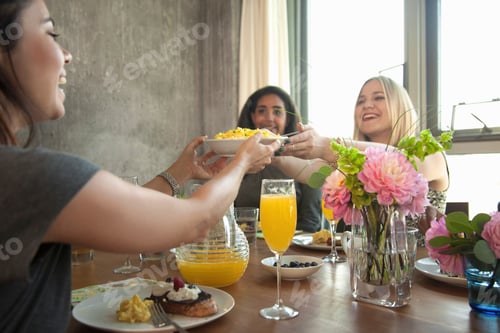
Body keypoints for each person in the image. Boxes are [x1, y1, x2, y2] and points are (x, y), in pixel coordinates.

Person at [0, 1, 280, 332]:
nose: (66, 54)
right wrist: (242, 160)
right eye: (50, 33)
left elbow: (115, 214)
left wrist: (181, 172)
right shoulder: (30, 176)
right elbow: (196, 221)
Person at [272, 76, 449, 238]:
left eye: (378, 97)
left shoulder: (429, 150)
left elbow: (401, 162)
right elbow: (310, 170)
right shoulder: (353, 164)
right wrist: (271, 152)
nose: (367, 105)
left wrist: (327, 146)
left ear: (400, 105)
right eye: (360, 101)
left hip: (420, 268)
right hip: (367, 269)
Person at [235, 85, 323, 233]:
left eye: (277, 112)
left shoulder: (306, 160)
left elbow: (311, 223)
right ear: (252, 116)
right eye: (261, 111)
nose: (269, 118)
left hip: (289, 247)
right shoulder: (236, 157)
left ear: (287, 118)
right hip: (244, 244)